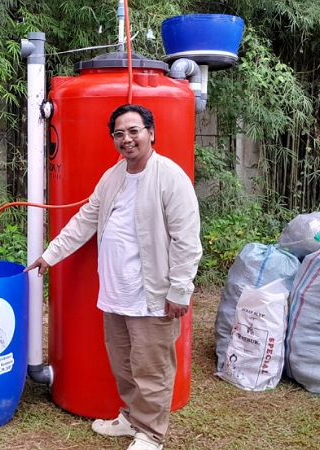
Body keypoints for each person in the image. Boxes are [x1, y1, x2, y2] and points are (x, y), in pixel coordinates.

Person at [25, 104, 202, 450]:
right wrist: (51, 254)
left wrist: (180, 289)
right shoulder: (114, 176)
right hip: (116, 292)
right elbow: (84, 219)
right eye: (119, 133)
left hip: (152, 293)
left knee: (151, 368)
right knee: (123, 365)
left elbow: (187, 239)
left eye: (134, 130)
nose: (127, 139)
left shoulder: (170, 177)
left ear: (151, 132)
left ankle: (151, 435)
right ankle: (130, 419)